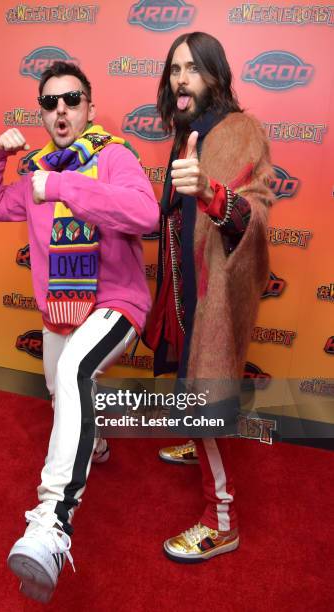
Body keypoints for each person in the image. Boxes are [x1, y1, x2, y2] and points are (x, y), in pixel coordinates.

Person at [0, 61, 159, 602]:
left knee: (76, 369)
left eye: (72, 99)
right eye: (50, 102)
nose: (61, 110)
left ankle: (52, 523)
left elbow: (144, 213)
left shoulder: (114, 155)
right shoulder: (33, 171)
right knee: (63, 392)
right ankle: (95, 442)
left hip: (117, 304)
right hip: (62, 312)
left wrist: (62, 185)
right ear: (42, 111)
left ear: (89, 108)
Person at [143, 32, 274, 562]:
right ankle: (192, 438)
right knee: (190, 382)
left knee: (205, 391)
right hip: (186, 291)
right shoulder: (188, 134)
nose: (181, 79)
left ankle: (222, 521)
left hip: (216, 291)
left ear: (217, 75)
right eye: (175, 69)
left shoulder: (240, 132)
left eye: (193, 69)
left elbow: (254, 214)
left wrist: (213, 193)